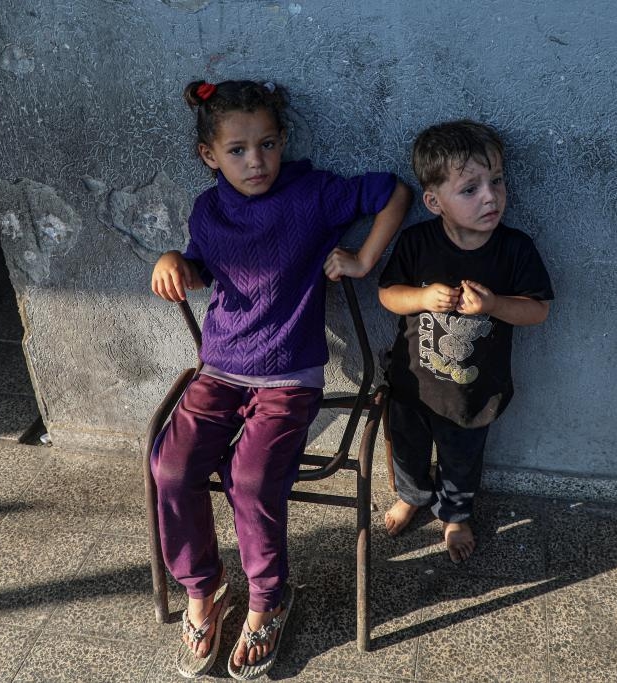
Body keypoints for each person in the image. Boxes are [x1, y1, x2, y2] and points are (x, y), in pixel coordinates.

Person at [149, 79, 411, 679]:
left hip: (289, 378)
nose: (256, 161)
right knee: (171, 466)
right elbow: (201, 264)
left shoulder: (312, 195)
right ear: (209, 156)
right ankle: (203, 589)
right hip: (219, 370)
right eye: (237, 150)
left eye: (267, 144)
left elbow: (395, 191)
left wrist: (364, 259)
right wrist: (175, 262)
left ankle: (268, 599)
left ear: (284, 141)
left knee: (252, 476)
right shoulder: (208, 209)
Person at [378, 119, 553, 564]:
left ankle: (455, 514)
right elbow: (386, 294)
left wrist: (494, 304)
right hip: (413, 385)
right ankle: (413, 495)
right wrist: (420, 297)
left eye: (496, 181)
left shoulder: (515, 249)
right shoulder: (418, 242)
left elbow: (538, 309)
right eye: (470, 189)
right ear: (434, 201)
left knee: (461, 458)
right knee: (407, 449)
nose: (491, 197)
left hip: (473, 391)